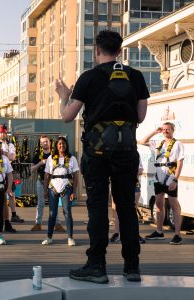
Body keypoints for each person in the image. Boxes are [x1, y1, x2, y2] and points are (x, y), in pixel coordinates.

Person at [55, 30, 149, 283]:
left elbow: (67, 116)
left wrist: (64, 97)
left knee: (97, 208)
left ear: (96, 50)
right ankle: (132, 267)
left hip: (96, 154)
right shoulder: (136, 77)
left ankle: (96, 266)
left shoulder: (89, 78)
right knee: (126, 208)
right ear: (120, 50)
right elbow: (140, 117)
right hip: (127, 153)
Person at [139, 122, 184, 245]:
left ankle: (177, 235)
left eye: (168, 129)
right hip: (159, 178)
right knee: (159, 204)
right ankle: (159, 231)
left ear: (173, 130)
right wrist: (155, 132)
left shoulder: (178, 144)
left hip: (170, 177)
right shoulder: (158, 143)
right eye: (163, 129)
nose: (165, 131)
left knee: (174, 205)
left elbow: (180, 163)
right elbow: (142, 141)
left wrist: (175, 179)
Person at [42, 136, 79, 246]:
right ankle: (49, 237)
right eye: (59, 144)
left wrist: (74, 192)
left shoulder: (72, 158)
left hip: (66, 187)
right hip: (52, 187)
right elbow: (46, 175)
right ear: (56, 146)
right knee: (52, 213)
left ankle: (70, 237)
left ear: (66, 145)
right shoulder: (51, 158)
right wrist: (45, 190)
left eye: (63, 144)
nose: (61, 146)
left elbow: (76, 176)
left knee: (67, 212)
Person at [30, 135, 65, 232]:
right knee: (40, 203)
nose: (45, 143)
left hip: (53, 182)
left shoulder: (54, 154)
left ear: (50, 142)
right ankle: (38, 223)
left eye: (46, 141)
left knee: (54, 203)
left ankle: (57, 224)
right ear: (40, 144)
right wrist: (40, 163)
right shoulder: (37, 155)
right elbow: (32, 169)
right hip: (41, 182)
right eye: (43, 142)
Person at [110, 156, 145, 244]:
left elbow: (140, 170)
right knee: (116, 208)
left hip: (133, 183)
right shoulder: (114, 151)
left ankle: (135, 233)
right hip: (118, 183)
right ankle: (116, 233)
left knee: (133, 208)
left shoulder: (134, 153)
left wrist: (129, 172)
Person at [0, 124, 25, 224]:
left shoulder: (10, 145)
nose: (2, 134)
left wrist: (4, 153)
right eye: (0, 132)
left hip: (8, 171)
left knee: (11, 194)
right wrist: (7, 154)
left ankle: (13, 215)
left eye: (3, 132)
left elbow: (13, 157)